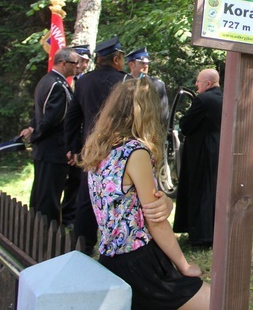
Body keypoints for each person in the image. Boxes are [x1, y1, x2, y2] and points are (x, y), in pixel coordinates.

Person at [80, 77, 210, 310]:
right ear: (145, 112)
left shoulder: (98, 148)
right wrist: (184, 266)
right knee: (222, 309)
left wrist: (167, 204)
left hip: (113, 259)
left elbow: (139, 206)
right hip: (142, 263)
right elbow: (155, 220)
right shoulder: (134, 151)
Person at [65, 36, 171, 252]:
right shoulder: (125, 83)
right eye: (121, 58)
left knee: (88, 196)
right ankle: (127, 238)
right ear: (116, 60)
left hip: (93, 148)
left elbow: (72, 116)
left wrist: (74, 148)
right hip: (121, 146)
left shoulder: (83, 81)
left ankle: (83, 244)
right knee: (127, 195)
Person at [19, 47, 78, 223]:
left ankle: (36, 225)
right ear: (64, 63)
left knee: (41, 191)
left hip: (45, 149)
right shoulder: (57, 85)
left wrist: (33, 131)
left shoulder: (46, 80)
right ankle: (47, 232)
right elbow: (52, 119)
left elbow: (40, 114)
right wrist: (35, 134)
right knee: (49, 195)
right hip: (53, 150)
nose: (78, 67)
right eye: (75, 63)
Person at [172, 68, 223, 248]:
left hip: (201, 150)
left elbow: (186, 124)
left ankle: (200, 235)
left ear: (207, 84)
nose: (196, 84)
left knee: (200, 190)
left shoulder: (203, 99)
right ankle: (211, 232)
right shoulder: (224, 98)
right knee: (212, 190)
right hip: (218, 149)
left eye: (199, 81)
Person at [60, 44, 92, 226]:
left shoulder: (84, 81)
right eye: (81, 61)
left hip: (81, 139)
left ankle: (69, 215)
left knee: (76, 181)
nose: (83, 65)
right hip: (65, 139)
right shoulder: (67, 80)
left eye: (87, 61)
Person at [125, 47, 169, 124]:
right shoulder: (122, 83)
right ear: (132, 64)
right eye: (142, 63)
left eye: (147, 63)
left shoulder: (157, 85)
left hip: (149, 129)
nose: (146, 66)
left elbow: (163, 115)